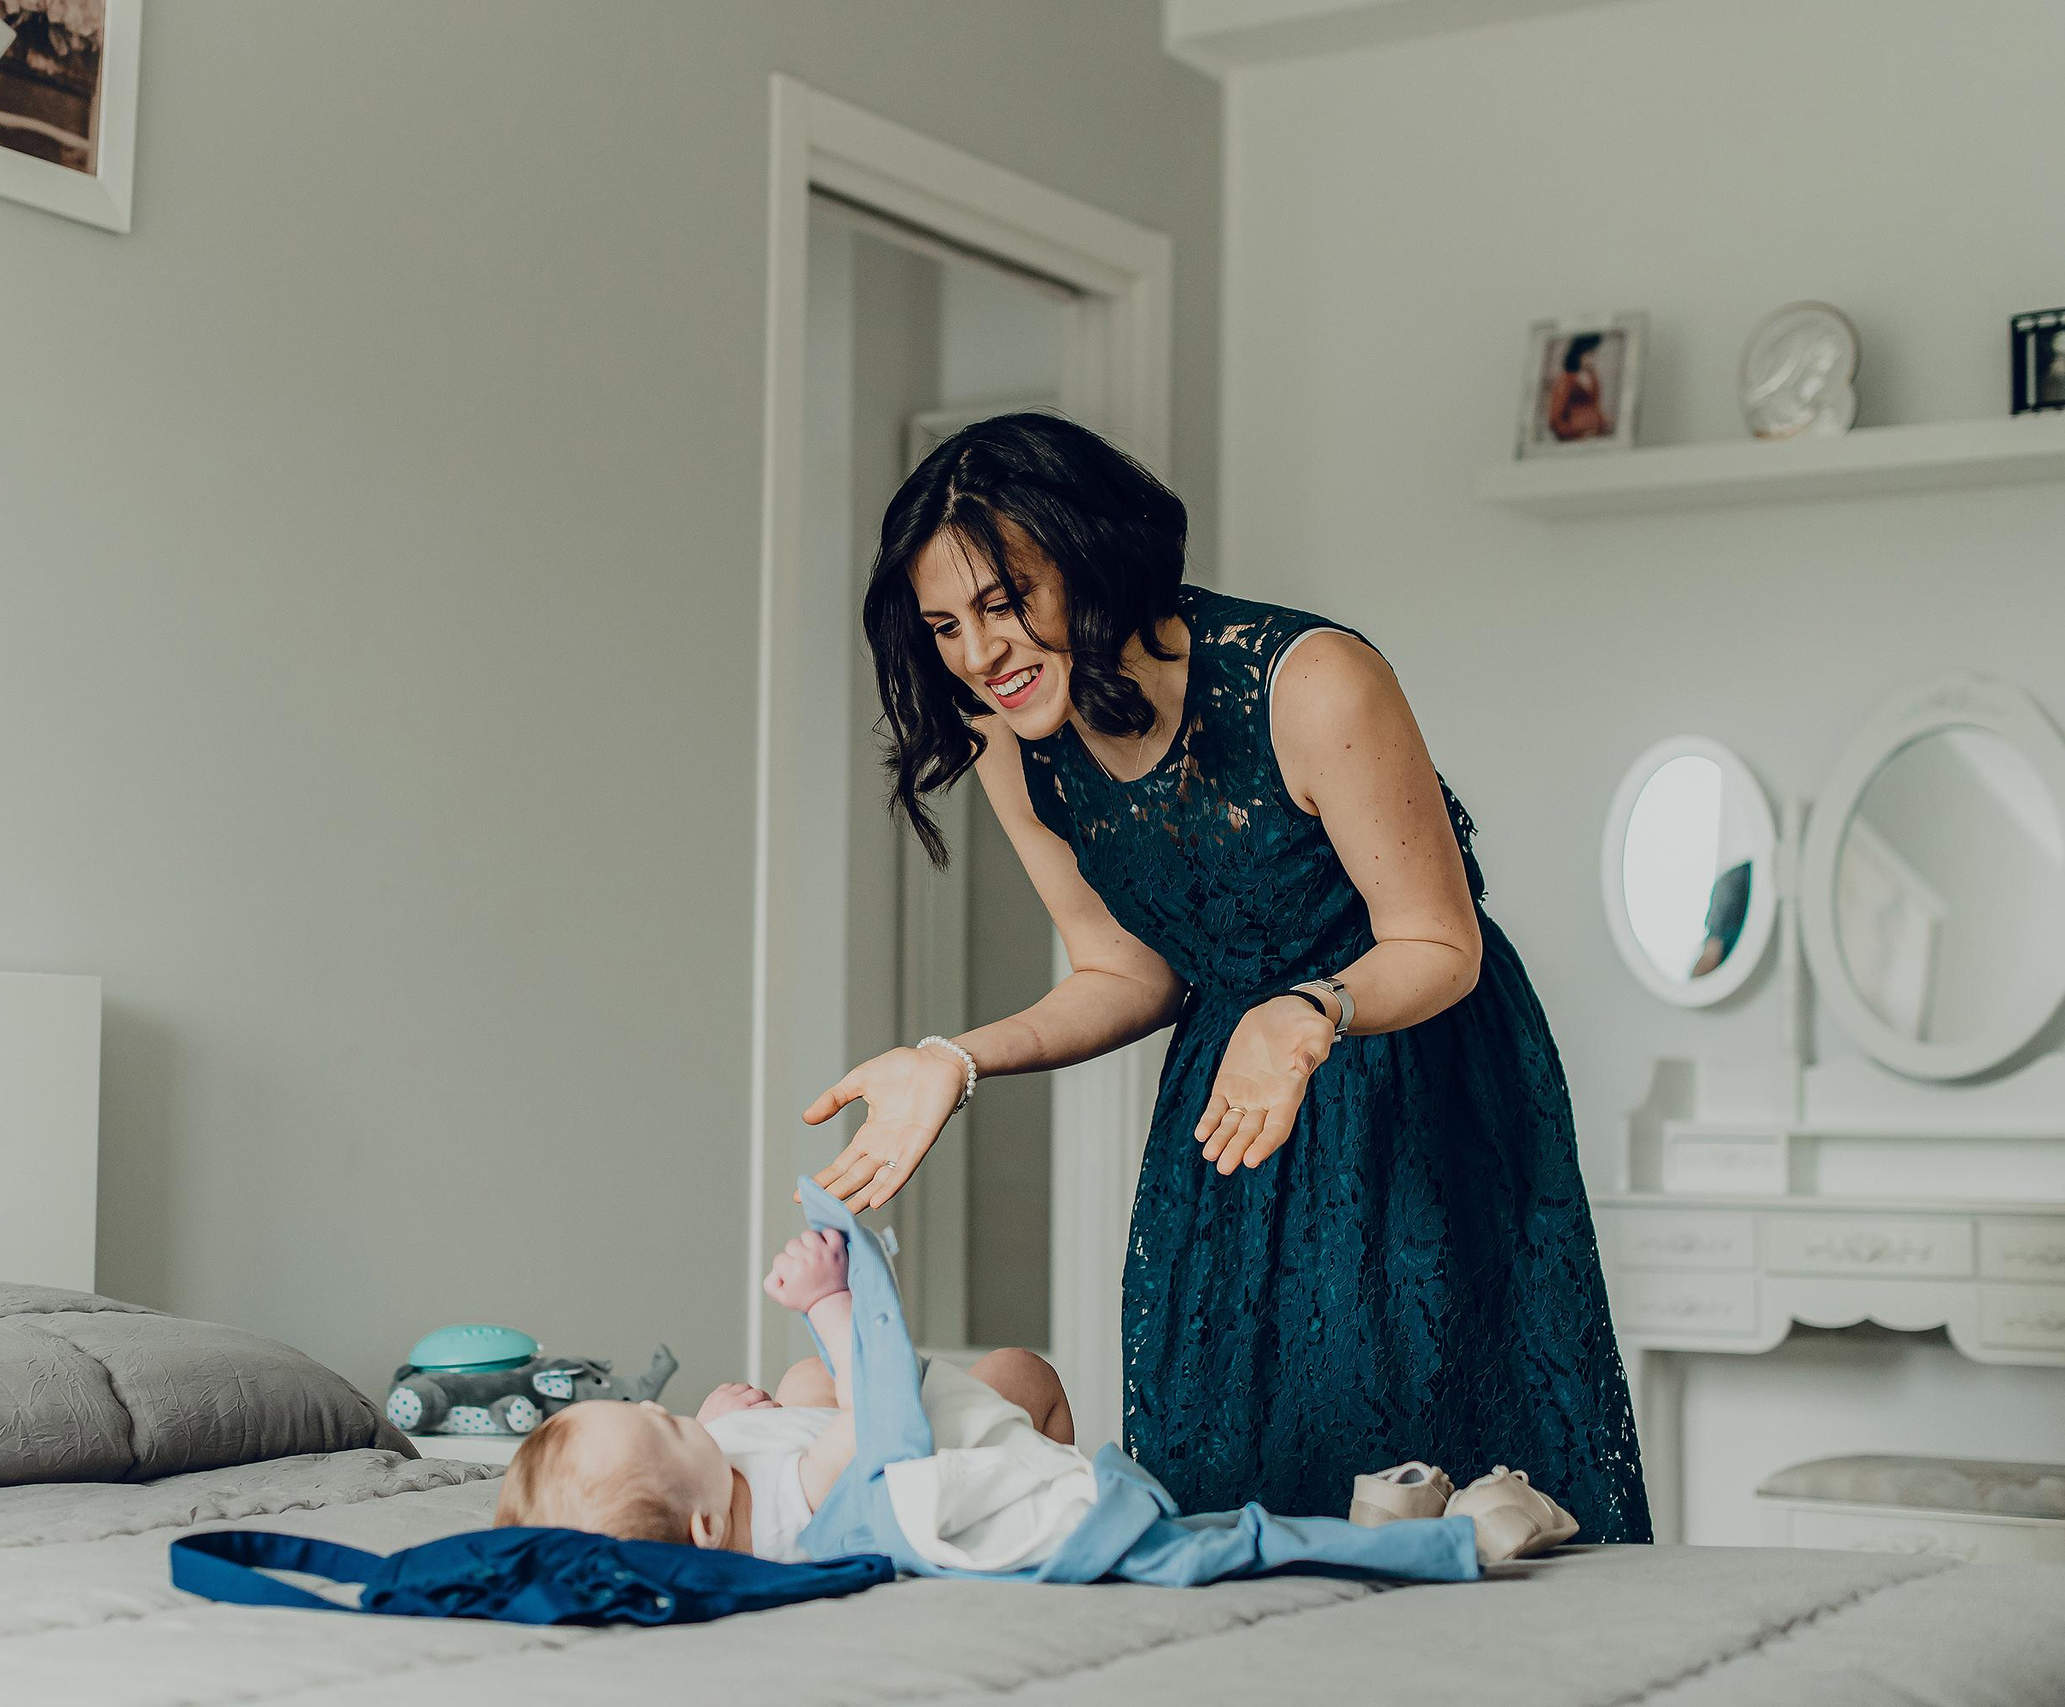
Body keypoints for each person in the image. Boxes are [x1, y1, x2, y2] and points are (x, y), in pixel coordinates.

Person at [801, 414, 1651, 1541]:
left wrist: (1311, 1009)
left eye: (1006, 603)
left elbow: (1442, 943)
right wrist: (952, 1061)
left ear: (1092, 555)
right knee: (1229, 1457)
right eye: (946, 625)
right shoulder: (1014, 737)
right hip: (1231, 1109)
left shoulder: (1314, 683)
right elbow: (1124, 971)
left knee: (1425, 1454)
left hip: (1413, 1072)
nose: (979, 654)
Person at [495, 1229, 1091, 1570]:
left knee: (804, 1378)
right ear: (708, 1528)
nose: (655, 1408)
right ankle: (1032, 1482)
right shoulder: (801, 1506)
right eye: (667, 1429)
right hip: (921, 1455)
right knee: (1020, 1370)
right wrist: (827, 1302)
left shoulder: (710, 1499)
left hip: (821, 1445)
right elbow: (876, 1413)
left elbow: (704, 1475)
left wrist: (711, 1430)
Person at [1546, 332, 1614, 441]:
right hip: (1575, 440)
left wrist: (1604, 424)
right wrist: (1576, 435)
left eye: (1595, 353)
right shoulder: (1565, 380)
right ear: (1578, 353)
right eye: (1589, 354)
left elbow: (1595, 406)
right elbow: (1555, 420)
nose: (1593, 359)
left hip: (1596, 437)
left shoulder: (1593, 377)